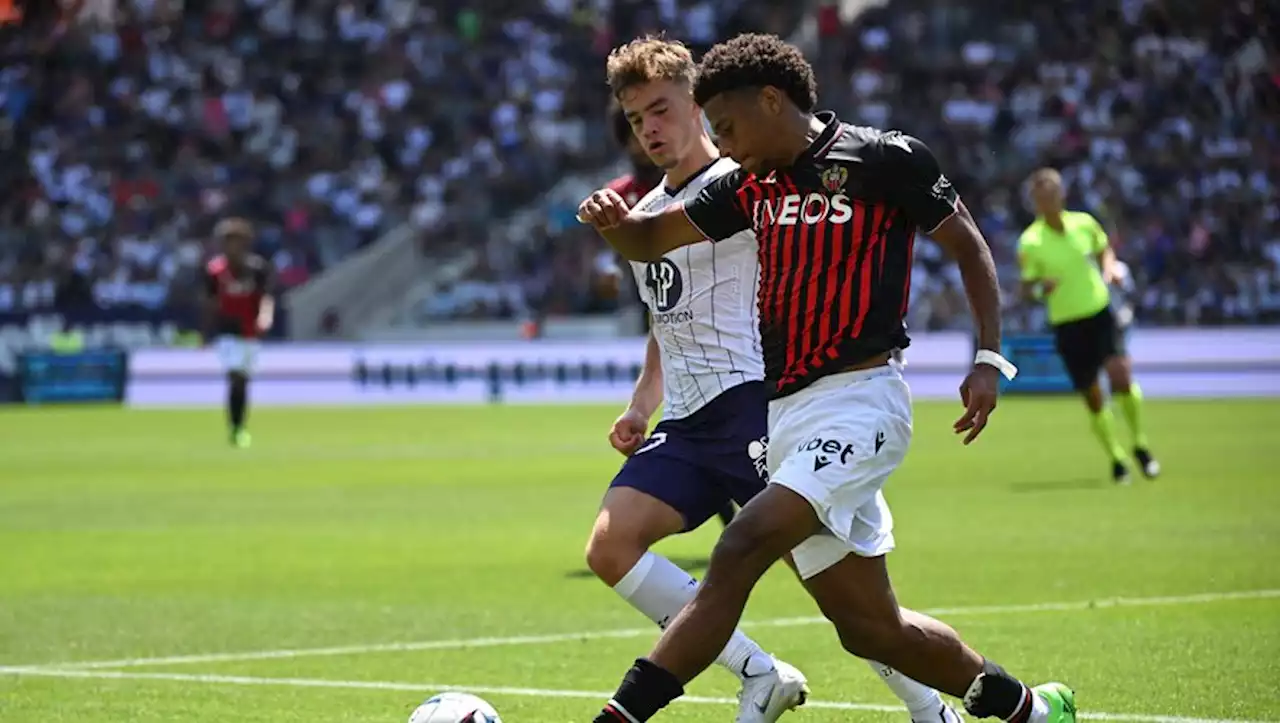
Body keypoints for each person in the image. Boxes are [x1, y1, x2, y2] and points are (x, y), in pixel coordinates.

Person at [576, 33, 1076, 723]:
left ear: (772, 100)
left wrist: (989, 356)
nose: (723, 143)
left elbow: (965, 241)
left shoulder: (881, 158)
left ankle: (622, 715)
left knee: (740, 547)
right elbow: (651, 242)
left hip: (860, 405)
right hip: (787, 417)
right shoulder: (750, 185)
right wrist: (613, 224)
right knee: (871, 627)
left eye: (726, 126)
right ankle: (1029, 709)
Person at [603, 94, 737, 529]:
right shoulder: (631, 200)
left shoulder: (737, 183)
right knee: (611, 546)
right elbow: (665, 311)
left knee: (821, 568)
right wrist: (641, 406)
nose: (645, 135)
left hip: (755, 394)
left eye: (659, 114)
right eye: (635, 124)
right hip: (673, 329)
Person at [1017, 168, 1159, 484]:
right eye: (1041, 198)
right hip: (1067, 324)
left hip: (1099, 312)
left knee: (1121, 375)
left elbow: (1104, 249)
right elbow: (1027, 290)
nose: (1048, 202)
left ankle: (1140, 445)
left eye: (1052, 195)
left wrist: (1110, 268)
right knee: (1093, 395)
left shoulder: (1085, 223)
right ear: (1036, 203)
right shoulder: (1030, 242)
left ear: (1061, 195)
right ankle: (1117, 458)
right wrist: (1043, 288)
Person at [203, 217, 274, 448]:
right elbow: (209, 302)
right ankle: (236, 428)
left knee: (244, 380)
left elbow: (266, 297)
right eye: (228, 241)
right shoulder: (215, 271)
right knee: (236, 377)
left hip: (250, 331)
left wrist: (265, 317)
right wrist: (206, 332)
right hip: (228, 331)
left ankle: (238, 425)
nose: (233, 246)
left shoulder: (257, 268)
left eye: (237, 241)